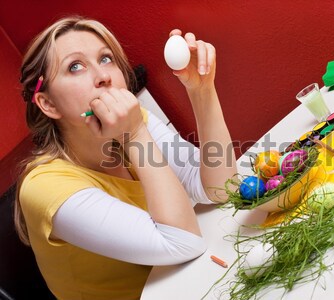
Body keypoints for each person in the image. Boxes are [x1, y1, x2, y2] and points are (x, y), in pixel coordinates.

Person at [14, 16, 236, 300]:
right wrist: (134, 133)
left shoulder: (133, 124)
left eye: (106, 59)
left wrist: (202, 90)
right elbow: (184, 244)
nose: (103, 76)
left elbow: (219, 189)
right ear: (48, 103)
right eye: (75, 66)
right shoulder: (45, 187)